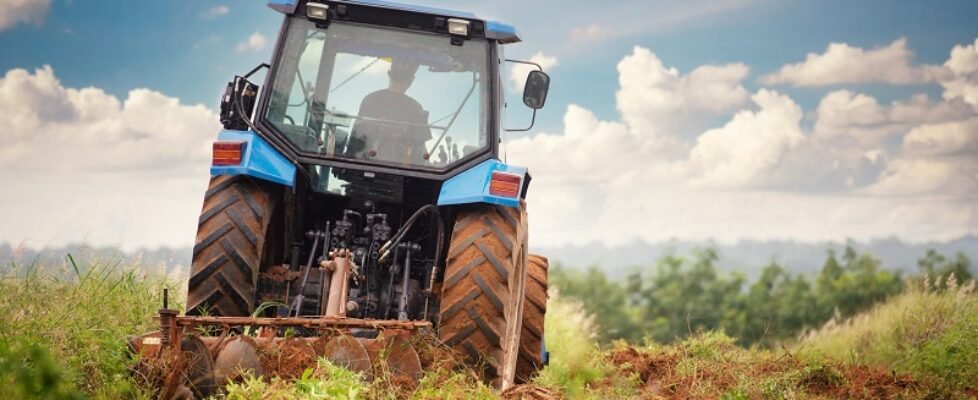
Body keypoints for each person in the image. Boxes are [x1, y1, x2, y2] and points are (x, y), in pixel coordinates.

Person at [351, 59, 432, 164]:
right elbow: (421, 149)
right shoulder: (415, 107)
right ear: (411, 81)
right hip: (401, 171)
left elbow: (357, 139)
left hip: (366, 166)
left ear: (390, 75)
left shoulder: (370, 99)